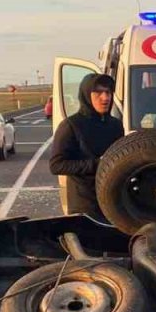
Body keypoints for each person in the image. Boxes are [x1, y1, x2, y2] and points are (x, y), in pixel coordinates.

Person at [49, 73, 124, 220]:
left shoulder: (115, 125)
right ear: (86, 95)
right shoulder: (71, 125)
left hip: (113, 202)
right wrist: (98, 164)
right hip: (84, 205)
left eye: (108, 92)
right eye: (98, 92)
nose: (105, 97)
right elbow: (56, 165)